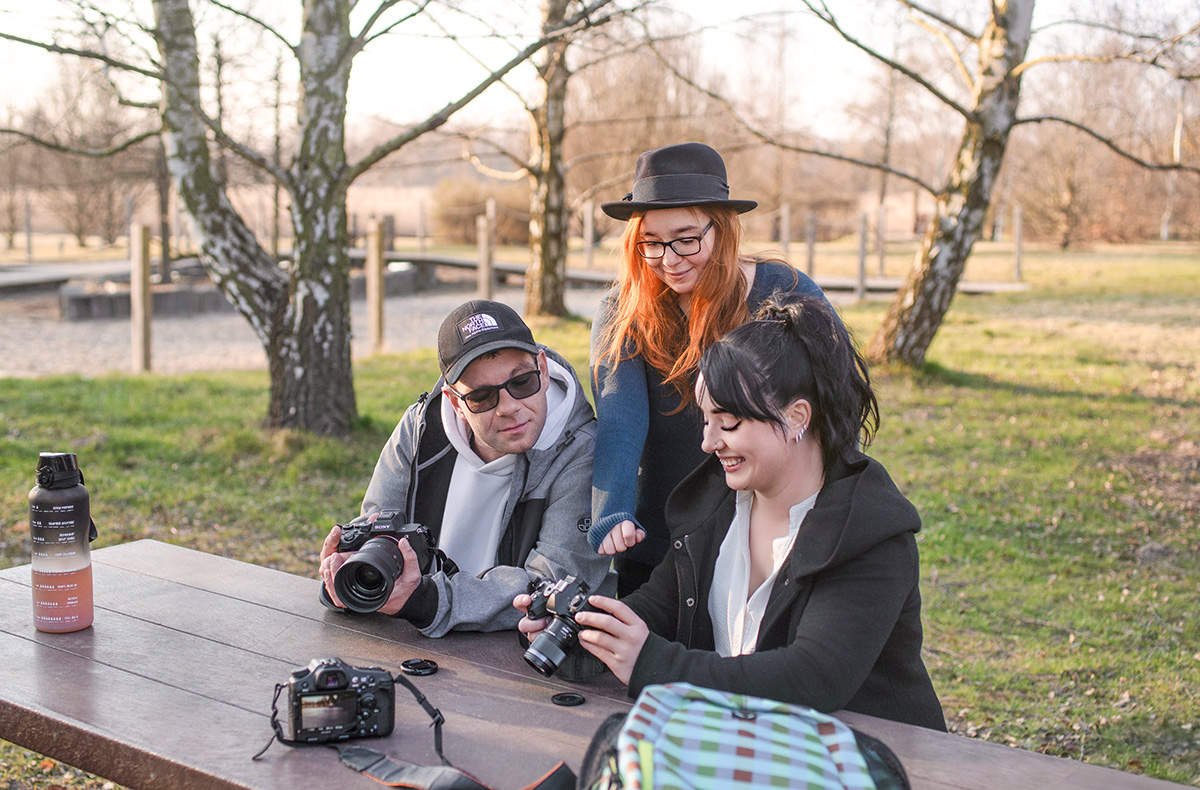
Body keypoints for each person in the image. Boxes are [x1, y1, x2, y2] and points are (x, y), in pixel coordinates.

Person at [520, 293, 946, 730]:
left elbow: (813, 678)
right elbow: (658, 608)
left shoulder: (869, 531)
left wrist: (653, 664)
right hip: (750, 747)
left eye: (729, 423)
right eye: (705, 421)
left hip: (871, 759)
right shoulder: (716, 502)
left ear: (797, 416)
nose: (708, 443)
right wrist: (583, 634)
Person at [589, 141, 828, 594]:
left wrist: (825, 507)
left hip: (777, 529)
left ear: (722, 229)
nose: (669, 259)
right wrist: (612, 510)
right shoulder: (622, 311)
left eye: (686, 239)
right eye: (651, 244)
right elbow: (620, 419)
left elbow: (835, 400)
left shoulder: (785, 291)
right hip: (664, 533)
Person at [319, 299, 611, 645]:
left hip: (518, 656)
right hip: (411, 640)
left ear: (543, 371)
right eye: (483, 397)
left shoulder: (582, 450)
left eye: (521, 383)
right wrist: (350, 576)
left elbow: (554, 581)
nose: (509, 408)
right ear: (455, 402)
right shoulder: (421, 428)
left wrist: (425, 601)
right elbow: (379, 529)